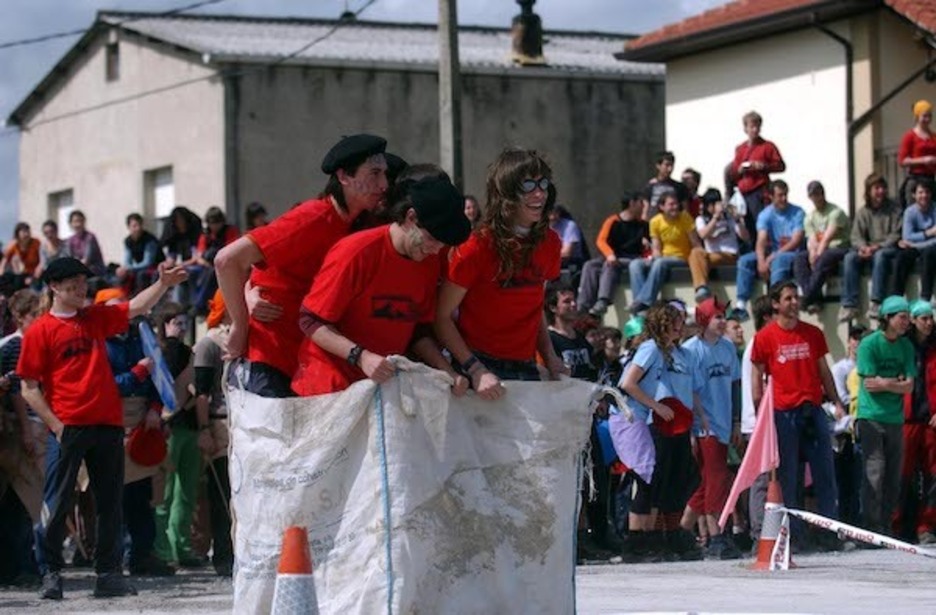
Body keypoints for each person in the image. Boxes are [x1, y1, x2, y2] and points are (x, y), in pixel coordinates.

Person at [17, 257, 186, 600]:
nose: (81, 289)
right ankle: (50, 572)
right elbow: (29, 388)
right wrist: (56, 425)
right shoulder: (40, 331)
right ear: (53, 287)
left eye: (83, 283)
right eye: (73, 284)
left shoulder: (95, 318)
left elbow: (136, 306)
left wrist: (163, 284)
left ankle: (108, 574)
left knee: (111, 503)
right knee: (57, 500)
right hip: (68, 427)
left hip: (108, 425)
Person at [215, 134, 389, 398]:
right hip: (269, 361)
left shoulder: (357, 224)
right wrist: (240, 323)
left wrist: (250, 286)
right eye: (374, 173)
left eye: (384, 174)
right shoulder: (313, 218)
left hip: (306, 363)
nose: (383, 184)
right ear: (344, 177)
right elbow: (226, 260)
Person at [292, 177, 471, 396]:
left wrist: (447, 372)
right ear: (411, 218)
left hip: (380, 389)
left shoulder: (428, 262)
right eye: (432, 239)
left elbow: (418, 330)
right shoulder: (356, 252)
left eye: (443, 244)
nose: (436, 250)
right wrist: (361, 356)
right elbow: (310, 320)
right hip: (328, 388)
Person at [435, 148, 567, 397]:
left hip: (526, 366)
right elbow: (441, 317)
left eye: (543, 183)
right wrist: (474, 369)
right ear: (505, 193)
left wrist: (549, 356)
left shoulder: (550, 243)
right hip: (480, 368)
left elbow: (535, 306)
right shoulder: (476, 246)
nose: (539, 193)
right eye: (528, 185)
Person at [750, 281, 846, 548]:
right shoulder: (764, 337)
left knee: (825, 473)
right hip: (783, 414)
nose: (794, 302)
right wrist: (760, 412)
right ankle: (792, 535)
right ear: (776, 304)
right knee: (788, 477)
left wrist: (836, 401)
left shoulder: (812, 333)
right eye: (788, 298)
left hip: (812, 410)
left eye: (796, 297)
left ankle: (829, 531)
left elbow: (824, 371)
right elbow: (756, 375)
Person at [618, 302, 705, 561]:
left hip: (678, 423)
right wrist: (656, 405)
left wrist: (700, 419)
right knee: (651, 483)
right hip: (654, 422)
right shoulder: (651, 349)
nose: (679, 325)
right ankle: (639, 542)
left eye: (680, 320)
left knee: (679, 480)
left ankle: (668, 536)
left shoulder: (681, 353)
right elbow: (627, 383)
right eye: (673, 321)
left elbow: (692, 390)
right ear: (661, 324)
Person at [98, 288, 175, 578]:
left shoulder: (140, 338)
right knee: (112, 498)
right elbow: (106, 385)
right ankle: (112, 560)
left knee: (141, 496)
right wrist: (138, 373)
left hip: (143, 423)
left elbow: (159, 378)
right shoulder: (98, 344)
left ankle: (143, 555)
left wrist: (156, 407)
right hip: (111, 424)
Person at [680, 298, 742, 560]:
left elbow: (735, 385)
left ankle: (681, 531)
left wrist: (737, 420)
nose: (723, 321)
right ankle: (717, 535)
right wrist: (697, 422)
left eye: (724, 316)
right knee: (716, 479)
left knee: (707, 483)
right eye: (717, 316)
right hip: (704, 425)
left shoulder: (728, 348)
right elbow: (689, 390)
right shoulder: (691, 350)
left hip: (725, 421)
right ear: (704, 320)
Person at [855, 296, 915, 537]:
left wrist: (885, 382)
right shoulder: (869, 344)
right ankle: (871, 526)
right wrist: (896, 382)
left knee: (893, 476)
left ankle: (887, 526)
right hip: (871, 417)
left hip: (895, 419)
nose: (906, 322)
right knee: (875, 473)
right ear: (887, 318)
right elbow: (869, 384)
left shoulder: (906, 347)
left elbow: (910, 387)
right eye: (902, 317)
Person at [152, 303, 202, 569]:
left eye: (183, 323)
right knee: (168, 492)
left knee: (184, 493)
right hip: (170, 427)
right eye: (175, 323)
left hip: (187, 426)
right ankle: (165, 549)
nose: (181, 328)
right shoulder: (165, 351)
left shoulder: (186, 352)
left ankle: (177, 547)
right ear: (164, 325)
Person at [192, 290, 234, 576]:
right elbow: (202, 394)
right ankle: (223, 555)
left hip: (241, 423)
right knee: (221, 495)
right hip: (219, 424)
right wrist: (204, 429)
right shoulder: (209, 343)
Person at [731, 180, 804, 322]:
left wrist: (773, 256)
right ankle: (741, 304)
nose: (784, 199)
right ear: (771, 196)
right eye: (780, 195)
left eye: (785, 195)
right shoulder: (766, 214)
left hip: (792, 253)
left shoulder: (797, 212)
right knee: (744, 260)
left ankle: (775, 303)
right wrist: (761, 262)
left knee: (779, 260)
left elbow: (796, 240)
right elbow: (761, 240)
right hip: (773, 252)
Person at [841, 174, 910, 321]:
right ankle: (850, 304)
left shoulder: (894, 210)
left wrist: (877, 246)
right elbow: (855, 236)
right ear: (869, 191)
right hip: (868, 249)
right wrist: (863, 247)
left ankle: (876, 301)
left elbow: (896, 234)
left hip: (887, 248)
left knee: (881, 256)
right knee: (849, 257)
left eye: (883, 187)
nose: (881, 191)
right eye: (877, 188)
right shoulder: (863, 212)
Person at [894, 300, 936, 543]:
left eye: (931, 318)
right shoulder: (901, 346)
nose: (929, 323)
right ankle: (896, 524)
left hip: (930, 420)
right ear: (913, 321)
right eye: (924, 318)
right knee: (902, 474)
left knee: (933, 475)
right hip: (906, 419)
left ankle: (926, 526)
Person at [629, 191, 703, 314]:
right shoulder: (655, 222)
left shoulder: (685, 217)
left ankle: (644, 302)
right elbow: (656, 248)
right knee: (635, 264)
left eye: (676, 204)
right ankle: (641, 308)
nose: (675, 207)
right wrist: (654, 259)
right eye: (671, 204)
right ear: (662, 207)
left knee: (660, 263)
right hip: (663, 258)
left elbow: (695, 243)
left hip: (681, 258)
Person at [577, 191, 649, 316]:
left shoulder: (643, 225)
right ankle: (583, 304)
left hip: (632, 258)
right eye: (641, 203)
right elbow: (601, 240)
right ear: (632, 203)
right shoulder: (613, 221)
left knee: (610, 265)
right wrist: (609, 254)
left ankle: (603, 300)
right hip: (614, 255)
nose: (643, 206)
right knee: (590, 265)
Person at [793, 181, 851, 314]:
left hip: (840, 248)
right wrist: (812, 253)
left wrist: (816, 255)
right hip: (822, 250)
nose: (817, 197)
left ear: (823, 194)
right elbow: (812, 239)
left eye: (819, 193)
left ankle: (807, 297)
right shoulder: (810, 217)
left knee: (824, 257)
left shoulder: (836, 212)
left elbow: (827, 238)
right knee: (800, 258)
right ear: (810, 197)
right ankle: (815, 298)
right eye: (813, 194)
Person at [729, 111, 786, 241]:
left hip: (759, 192)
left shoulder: (767, 146)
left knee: (761, 225)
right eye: (752, 127)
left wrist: (764, 166)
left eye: (757, 126)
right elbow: (733, 173)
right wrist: (740, 170)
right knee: (746, 226)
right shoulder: (740, 149)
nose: (755, 130)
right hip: (743, 193)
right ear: (745, 128)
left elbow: (781, 166)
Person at [831, 324, 867, 526]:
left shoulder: (868, 365)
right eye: (855, 338)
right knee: (846, 480)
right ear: (849, 342)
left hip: (862, 423)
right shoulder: (840, 369)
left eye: (861, 338)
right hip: (846, 430)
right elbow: (840, 400)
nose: (858, 343)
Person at [688, 188, 748, 303]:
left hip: (730, 255)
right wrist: (715, 218)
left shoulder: (729, 218)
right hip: (712, 256)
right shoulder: (701, 219)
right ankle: (701, 289)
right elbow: (703, 235)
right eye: (711, 204)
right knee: (695, 253)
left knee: (700, 257)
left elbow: (745, 237)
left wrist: (737, 219)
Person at [901, 179, 936, 303]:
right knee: (902, 256)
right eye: (920, 192)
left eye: (927, 192)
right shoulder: (910, 212)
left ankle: (925, 297)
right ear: (914, 195)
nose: (924, 195)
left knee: (929, 253)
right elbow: (907, 236)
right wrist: (928, 233)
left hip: (931, 248)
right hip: (917, 246)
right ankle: (896, 296)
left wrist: (916, 244)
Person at [898, 100, 935, 206]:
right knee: (915, 211)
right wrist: (923, 160)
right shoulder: (910, 136)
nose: (927, 119)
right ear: (917, 117)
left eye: (929, 116)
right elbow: (902, 161)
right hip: (916, 180)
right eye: (924, 116)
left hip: (931, 180)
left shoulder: (934, 137)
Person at [117, 214, 163, 295]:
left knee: (141, 275)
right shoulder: (128, 241)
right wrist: (125, 269)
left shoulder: (149, 239)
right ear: (128, 227)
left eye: (139, 225)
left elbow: (148, 262)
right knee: (122, 275)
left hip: (155, 267)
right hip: (140, 268)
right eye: (134, 226)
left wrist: (129, 268)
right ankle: (124, 298)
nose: (138, 228)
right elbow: (128, 260)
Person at [643, 151, 688, 220]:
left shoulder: (679, 187)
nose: (670, 169)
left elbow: (685, 212)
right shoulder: (650, 186)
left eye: (672, 165)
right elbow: (645, 211)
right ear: (658, 165)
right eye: (667, 165)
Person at [64, 211, 106, 278]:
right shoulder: (70, 240)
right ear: (71, 224)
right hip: (78, 271)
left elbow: (87, 260)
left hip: (94, 271)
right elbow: (69, 258)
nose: (78, 224)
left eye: (80, 221)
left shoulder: (90, 237)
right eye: (75, 221)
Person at [549, 205, 588, 275]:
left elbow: (566, 253)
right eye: (549, 214)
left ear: (559, 214)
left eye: (554, 213)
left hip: (571, 263)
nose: (552, 217)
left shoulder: (570, 226)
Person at [1, 223, 41, 290]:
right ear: (18, 234)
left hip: (36, 273)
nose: (26, 234)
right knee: (11, 281)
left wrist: (33, 277)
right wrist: (1, 273)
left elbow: (42, 262)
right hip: (23, 273)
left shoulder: (36, 243)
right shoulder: (15, 245)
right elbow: (5, 260)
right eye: (24, 232)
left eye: (28, 231)